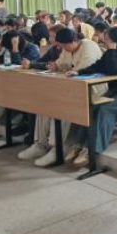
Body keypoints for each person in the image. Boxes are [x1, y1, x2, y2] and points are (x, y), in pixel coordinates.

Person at [18, 29, 105, 167]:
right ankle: (40, 145)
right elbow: (61, 63)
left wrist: (68, 69)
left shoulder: (89, 47)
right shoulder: (67, 49)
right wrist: (55, 66)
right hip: (70, 86)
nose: (63, 48)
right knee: (43, 106)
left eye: (64, 45)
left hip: (92, 88)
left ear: (74, 41)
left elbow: (83, 68)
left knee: (63, 108)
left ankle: (56, 148)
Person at [65, 27, 117, 167]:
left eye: (107, 40)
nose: (105, 42)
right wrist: (79, 72)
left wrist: (112, 51)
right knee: (91, 107)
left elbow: (115, 70)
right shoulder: (110, 53)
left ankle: (92, 149)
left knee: (105, 109)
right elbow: (98, 66)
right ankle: (78, 144)